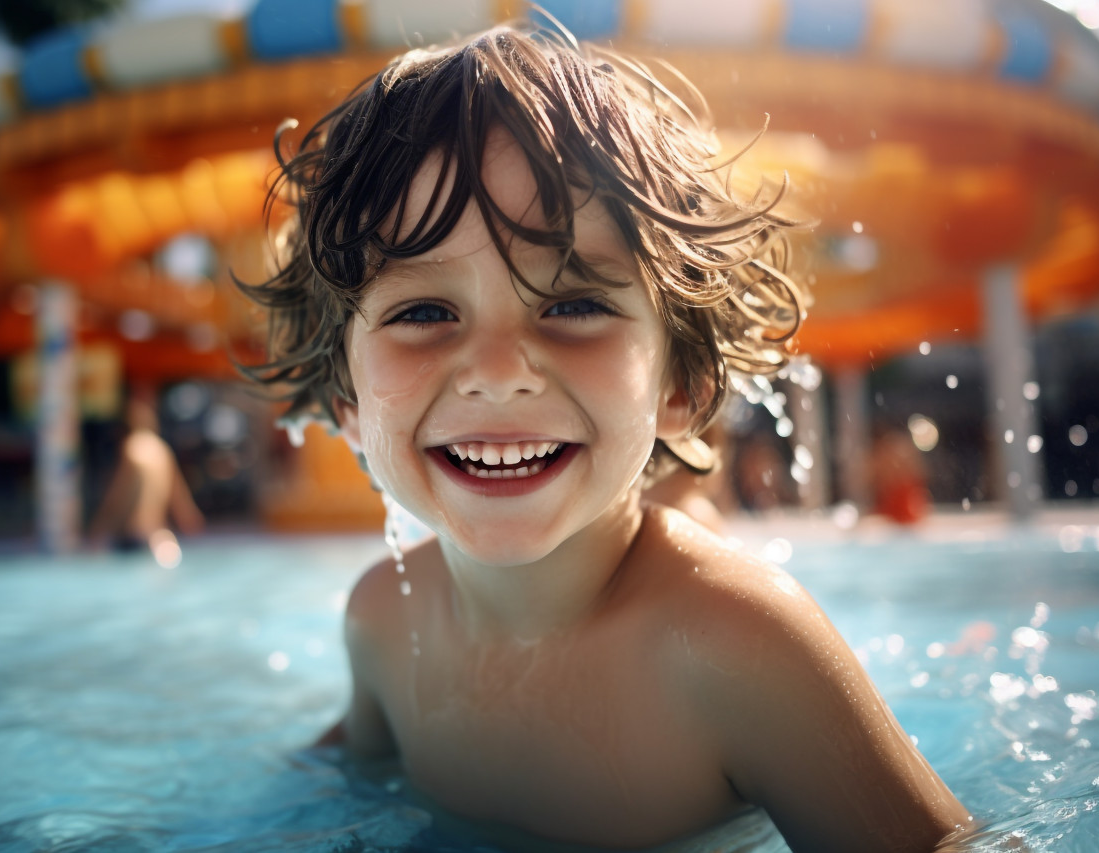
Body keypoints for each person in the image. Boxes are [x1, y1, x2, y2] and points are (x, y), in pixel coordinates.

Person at [243, 24, 970, 852]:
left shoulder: (738, 649)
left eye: (572, 305)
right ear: (346, 399)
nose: (497, 369)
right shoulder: (380, 621)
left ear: (679, 384)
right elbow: (334, 789)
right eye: (422, 312)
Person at [89, 391, 204, 552]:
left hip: (133, 537)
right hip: (158, 537)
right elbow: (179, 497)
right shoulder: (162, 450)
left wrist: (100, 527)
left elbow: (118, 496)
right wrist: (189, 520)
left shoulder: (132, 448)